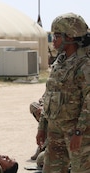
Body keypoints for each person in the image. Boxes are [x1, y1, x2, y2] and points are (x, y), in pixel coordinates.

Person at [36, 12, 90, 173]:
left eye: (57, 36)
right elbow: (49, 96)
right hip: (55, 130)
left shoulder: (84, 64)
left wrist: (79, 132)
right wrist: (42, 127)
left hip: (78, 133)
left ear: (71, 37)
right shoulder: (60, 62)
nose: (54, 41)